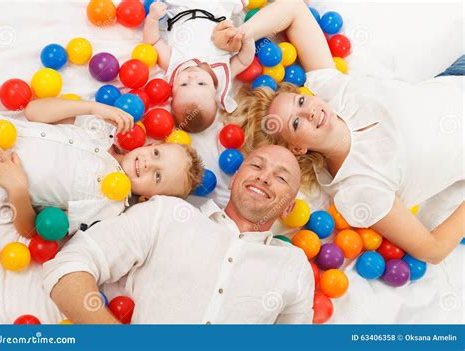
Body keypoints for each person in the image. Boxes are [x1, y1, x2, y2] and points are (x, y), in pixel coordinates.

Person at [214, 0, 464, 264]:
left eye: (301, 101)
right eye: (296, 123)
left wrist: (241, 34)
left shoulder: (332, 91)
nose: (309, 111)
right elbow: (432, 250)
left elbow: (294, 9)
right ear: (298, 148)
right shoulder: (358, 188)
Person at [42, 145, 315, 324]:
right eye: (256, 166)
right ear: (233, 179)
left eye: (281, 178)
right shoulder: (166, 214)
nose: (264, 177)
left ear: (289, 207)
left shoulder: (294, 267)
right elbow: (68, 266)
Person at [0, 97, 203, 236]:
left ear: (148, 198)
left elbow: (33, 229)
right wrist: (92, 107)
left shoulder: (108, 208)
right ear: (151, 145)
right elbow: (33, 112)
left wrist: (17, 189)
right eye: (156, 154)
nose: (149, 164)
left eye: (157, 176)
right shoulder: (102, 130)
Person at [143, 0, 255, 133]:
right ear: (214, 91)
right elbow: (243, 60)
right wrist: (248, 40)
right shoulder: (223, 74)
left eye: (184, 84)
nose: (192, 77)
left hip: (184, 6)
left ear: (172, 91)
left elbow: (153, 41)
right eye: (201, 83)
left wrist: (152, 18)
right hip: (219, 8)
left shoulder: (172, 63)